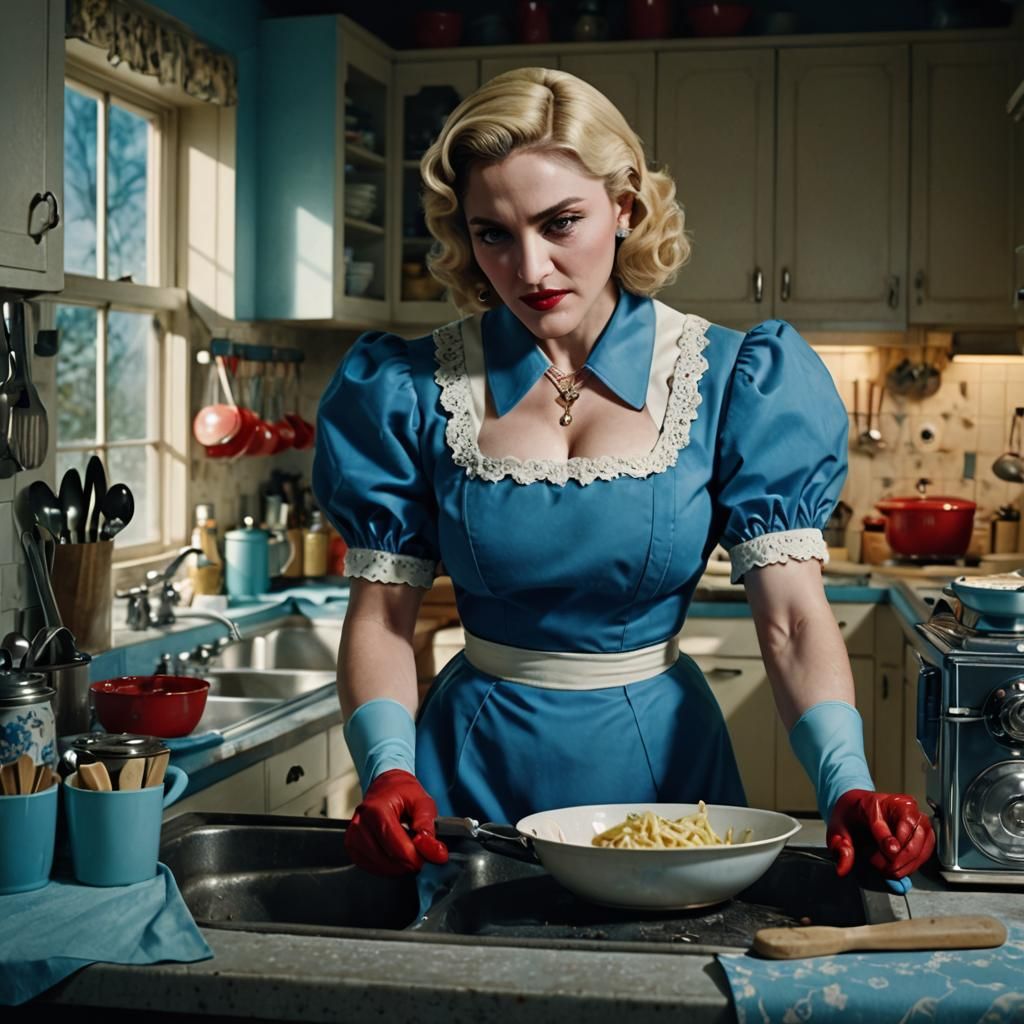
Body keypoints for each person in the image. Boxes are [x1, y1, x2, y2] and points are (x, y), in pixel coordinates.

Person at [312, 68, 934, 892]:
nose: (530, 268)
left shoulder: (736, 379)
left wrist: (845, 783)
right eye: (492, 233)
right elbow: (383, 622)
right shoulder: (409, 389)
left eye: (560, 222)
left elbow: (789, 623)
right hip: (467, 765)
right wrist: (390, 769)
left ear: (626, 206)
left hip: (661, 773)